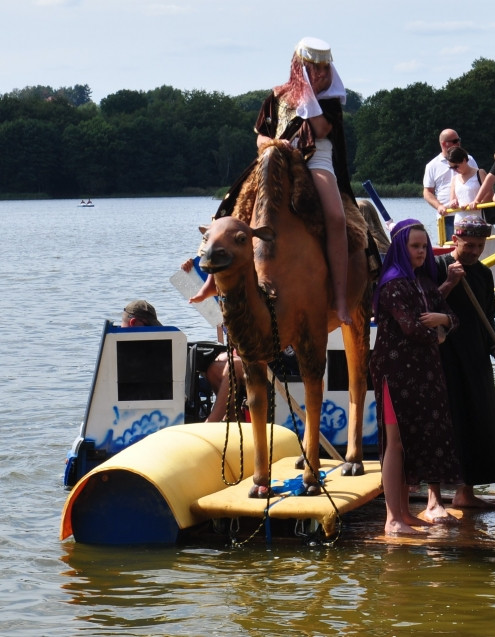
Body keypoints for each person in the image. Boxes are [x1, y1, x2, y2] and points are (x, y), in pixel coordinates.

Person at [250, 37, 355, 325]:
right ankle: (212, 280)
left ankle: (341, 298)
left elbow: (320, 130)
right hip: (277, 154)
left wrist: (309, 95)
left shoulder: (329, 100)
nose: (321, 74)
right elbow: (260, 134)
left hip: (315, 156)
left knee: (335, 217)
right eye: (314, 68)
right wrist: (272, 144)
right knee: (234, 203)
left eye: (325, 68)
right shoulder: (277, 95)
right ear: (299, 66)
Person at [370, 219, 462, 534]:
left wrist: (444, 321)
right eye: (415, 246)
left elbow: (451, 316)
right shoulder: (393, 283)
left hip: (423, 372)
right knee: (395, 442)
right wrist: (438, 333)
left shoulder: (421, 281)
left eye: (424, 247)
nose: (421, 252)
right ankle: (393, 518)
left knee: (411, 442)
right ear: (401, 247)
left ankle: (405, 514)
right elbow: (410, 327)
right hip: (396, 372)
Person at [436, 216, 495, 508]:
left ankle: (465, 493)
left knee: (479, 421)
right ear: (455, 240)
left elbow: (487, 319)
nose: (474, 251)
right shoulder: (441, 267)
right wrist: (450, 282)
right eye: (468, 245)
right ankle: (442, 493)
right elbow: (427, 304)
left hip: (477, 358)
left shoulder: (482, 273)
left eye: (479, 246)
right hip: (446, 357)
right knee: (451, 422)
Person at [121, 300, 244, 423]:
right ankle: (212, 424)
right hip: (146, 410)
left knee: (221, 368)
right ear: (133, 323)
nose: (152, 333)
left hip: (155, 408)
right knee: (227, 366)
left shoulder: (120, 348)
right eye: (149, 328)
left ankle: (224, 423)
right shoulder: (121, 350)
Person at [423, 129, 478, 216]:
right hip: (447, 214)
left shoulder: (469, 159)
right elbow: (427, 192)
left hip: (470, 212)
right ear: (444, 143)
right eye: (455, 141)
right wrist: (439, 206)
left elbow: (479, 181)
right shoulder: (432, 165)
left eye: (459, 140)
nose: (459, 143)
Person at [446, 146, 488, 221]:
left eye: (456, 166)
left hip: (479, 219)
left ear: (464, 160)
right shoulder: (454, 179)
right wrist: (453, 203)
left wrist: (476, 204)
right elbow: (452, 200)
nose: (455, 170)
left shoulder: (480, 173)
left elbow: (489, 195)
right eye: (452, 168)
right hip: (460, 220)